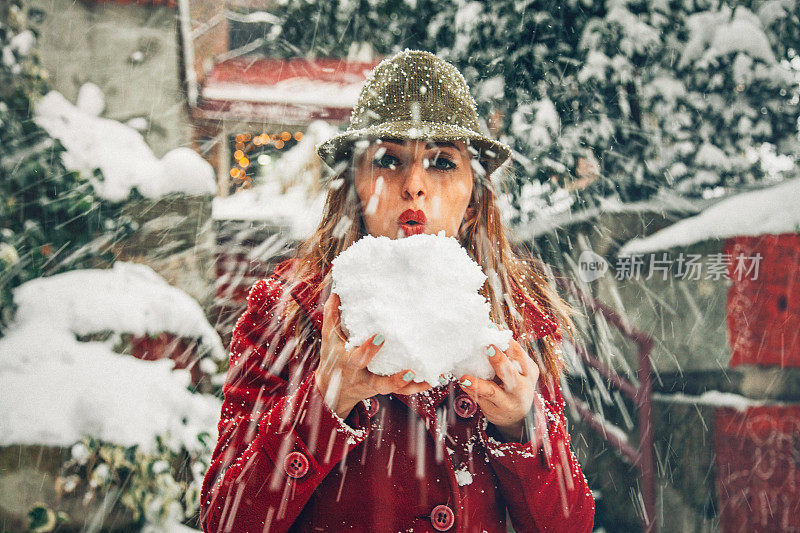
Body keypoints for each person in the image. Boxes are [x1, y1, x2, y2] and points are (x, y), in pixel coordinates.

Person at [200, 49, 595, 533]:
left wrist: (522, 426)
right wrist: (322, 406)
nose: (414, 185)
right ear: (356, 189)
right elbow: (228, 519)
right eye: (389, 159)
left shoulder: (513, 323)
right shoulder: (285, 313)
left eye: (442, 162)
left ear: (473, 199)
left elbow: (568, 525)